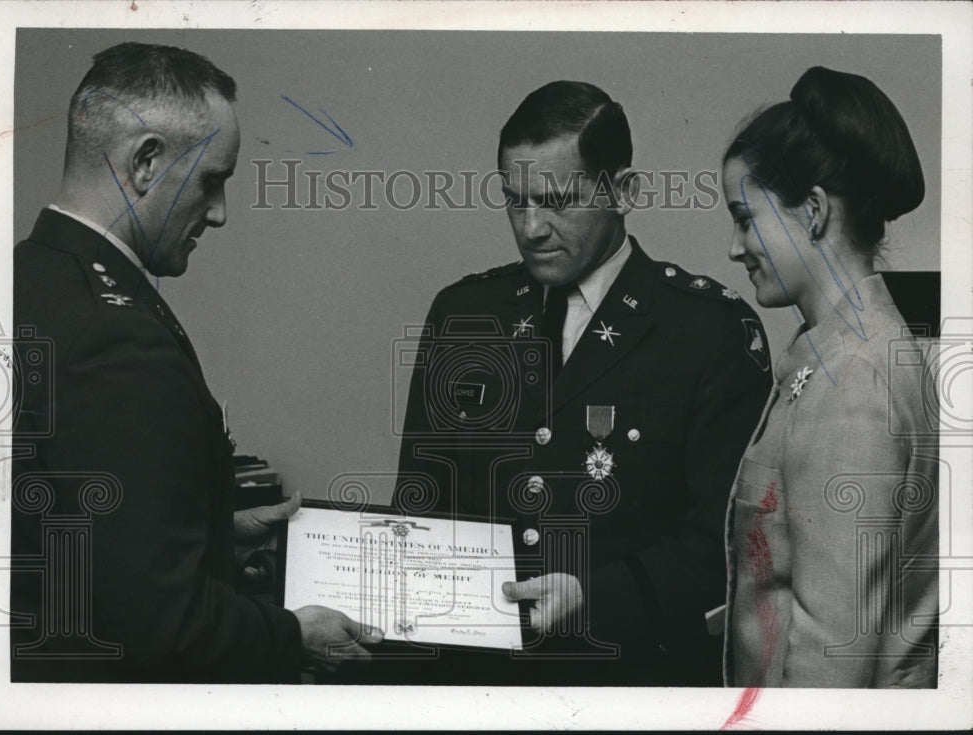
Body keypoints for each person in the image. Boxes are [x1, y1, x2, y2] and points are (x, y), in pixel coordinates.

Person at [10, 42, 381, 683]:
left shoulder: (25, 276)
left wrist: (213, 531)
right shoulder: (116, 336)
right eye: (213, 179)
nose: (220, 212)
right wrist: (294, 634)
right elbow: (163, 628)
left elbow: (66, 525)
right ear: (146, 161)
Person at [392, 81, 773, 686]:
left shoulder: (709, 331)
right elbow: (422, 511)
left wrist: (591, 598)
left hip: (632, 685)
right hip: (479, 686)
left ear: (622, 192)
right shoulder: (465, 315)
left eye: (557, 201)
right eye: (514, 201)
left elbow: (724, 546)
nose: (531, 227)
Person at [720, 66, 938, 688]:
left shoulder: (854, 383)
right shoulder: (839, 356)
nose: (736, 248)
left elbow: (831, 657)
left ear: (812, 211)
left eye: (745, 217)